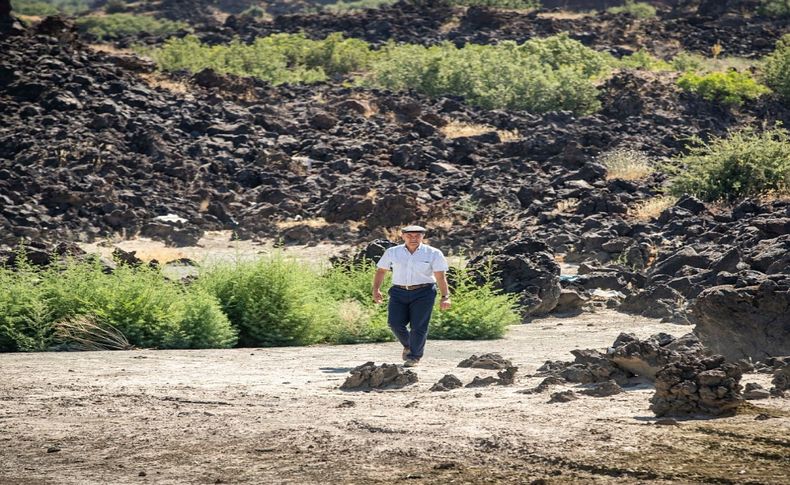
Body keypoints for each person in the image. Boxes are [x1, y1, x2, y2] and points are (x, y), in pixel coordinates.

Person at [372, 225, 451, 367]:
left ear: (423, 236)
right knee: (394, 323)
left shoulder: (433, 253)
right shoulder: (392, 252)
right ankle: (409, 345)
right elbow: (381, 271)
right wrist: (376, 289)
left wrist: (445, 296)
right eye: (409, 235)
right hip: (398, 292)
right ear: (402, 236)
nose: (413, 238)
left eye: (417, 235)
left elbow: (440, 276)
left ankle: (414, 356)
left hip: (424, 292)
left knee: (418, 326)